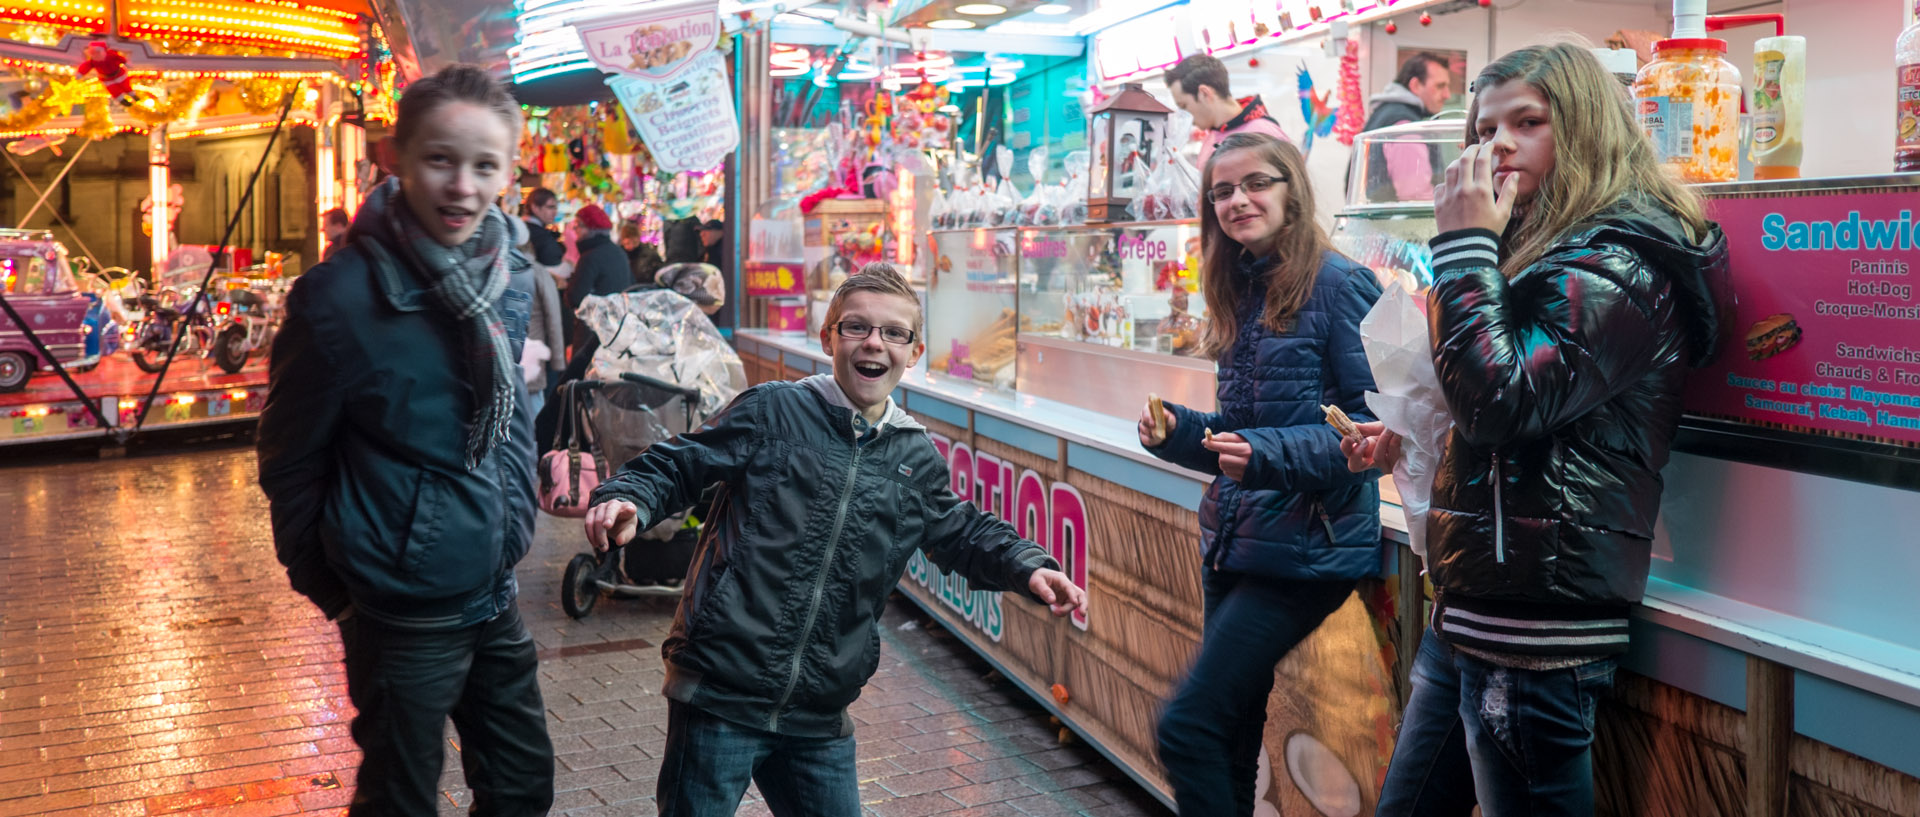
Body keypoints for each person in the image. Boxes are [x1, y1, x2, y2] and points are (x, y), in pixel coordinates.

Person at [1346, 44, 1726, 816]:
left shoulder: (1615, 264)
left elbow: (1502, 402)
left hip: (1536, 624)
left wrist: (1460, 245)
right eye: (1485, 130)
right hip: (1478, 606)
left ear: (1586, 131)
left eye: (1529, 122)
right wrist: (1413, 430)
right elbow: (1491, 406)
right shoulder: (1540, 249)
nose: (1500, 146)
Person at [582, 263, 1087, 817]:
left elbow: (960, 531)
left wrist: (1026, 564)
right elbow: (679, 464)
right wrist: (631, 496)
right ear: (828, 338)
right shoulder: (774, 409)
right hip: (721, 692)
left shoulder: (913, 457)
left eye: (894, 332)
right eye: (857, 327)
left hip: (819, 711)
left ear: (914, 352)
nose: (875, 342)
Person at [255, 64, 553, 816]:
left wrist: (516, 522)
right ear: (397, 158)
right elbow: (289, 459)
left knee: (522, 786)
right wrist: (333, 592)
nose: (462, 185)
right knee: (401, 798)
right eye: (440, 159)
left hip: (494, 589)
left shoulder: (509, 270)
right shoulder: (339, 296)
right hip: (402, 609)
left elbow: (509, 413)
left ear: (508, 171)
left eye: (484, 165)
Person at [1139, 132, 1384, 817]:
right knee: (1228, 733)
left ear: (1291, 190)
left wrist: (1269, 451)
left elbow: (1371, 430)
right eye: (1221, 191)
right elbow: (1245, 426)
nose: (1237, 200)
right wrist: (1181, 432)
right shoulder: (1243, 283)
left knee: (1185, 727)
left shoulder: (1341, 284)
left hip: (1307, 552)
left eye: (1255, 184)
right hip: (1236, 540)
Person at [1163, 53, 1291, 166]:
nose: (1185, 116)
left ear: (1204, 93)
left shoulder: (1262, 134)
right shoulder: (1212, 136)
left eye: (1184, 106)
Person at [1361, 52, 1453, 203]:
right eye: (1440, 86)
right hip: (1394, 225)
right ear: (1416, 85)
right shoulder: (1405, 125)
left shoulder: (1385, 113)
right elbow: (1415, 195)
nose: (1447, 95)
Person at [565, 203, 632, 357]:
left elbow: (575, 297)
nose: (575, 231)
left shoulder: (590, 257)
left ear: (590, 228)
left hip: (593, 331)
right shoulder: (618, 252)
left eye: (578, 226)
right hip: (617, 327)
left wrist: (568, 286)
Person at [620, 219, 665, 287]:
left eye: (634, 242)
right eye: (627, 243)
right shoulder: (619, 255)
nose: (631, 246)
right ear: (622, 241)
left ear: (638, 239)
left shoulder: (650, 255)